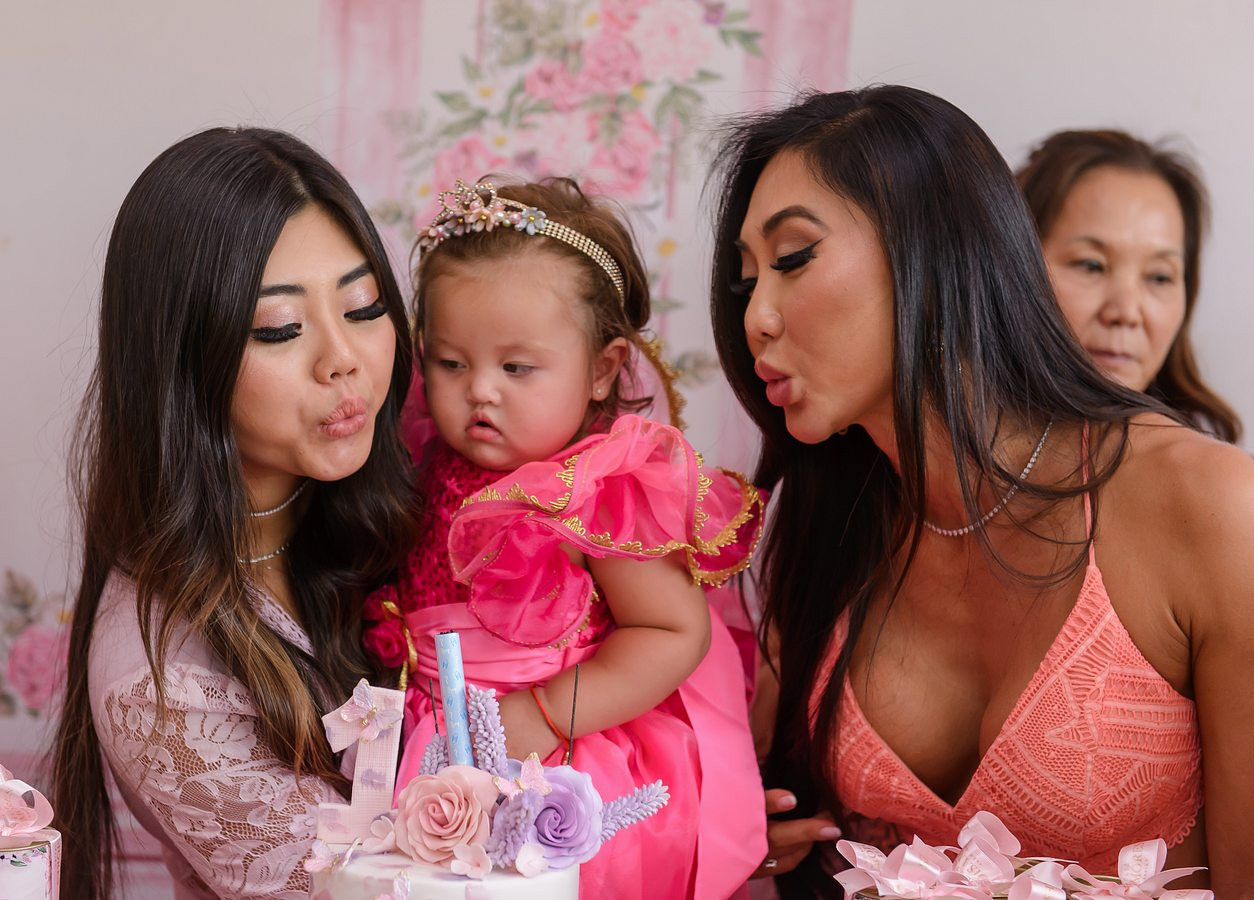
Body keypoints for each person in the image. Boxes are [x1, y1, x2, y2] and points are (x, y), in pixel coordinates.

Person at [708, 87, 1254, 895]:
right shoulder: (830, 524)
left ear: (933, 248)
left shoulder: (1215, 507)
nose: (757, 316)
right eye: (745, 282)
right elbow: (774, 820)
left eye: (793, 259)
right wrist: (734, 840)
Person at [361, 177, 766, 898]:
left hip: (558, 754)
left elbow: (672, 631)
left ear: (602, 371)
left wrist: (547, 713)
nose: (481, 390)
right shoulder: (419, 460)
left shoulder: (596, 491)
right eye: (451, 363)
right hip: (431, 748)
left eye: (516, 368)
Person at [50, 127, 418, 899]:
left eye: (363, 306)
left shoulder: (401, 487)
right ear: (184, 362)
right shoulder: (161, 683)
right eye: (280, 328)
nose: (343, 359)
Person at [1017, 128, 1242, 443]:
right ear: (1013, 267)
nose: (1126, 313)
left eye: (1159, 277)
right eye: (1091, 265)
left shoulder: (1226, 472)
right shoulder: (948, 457)